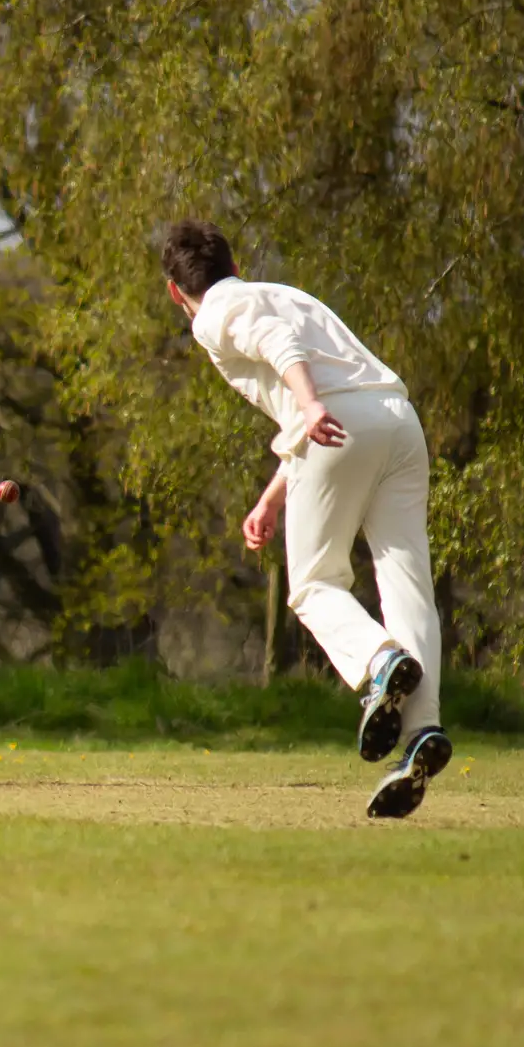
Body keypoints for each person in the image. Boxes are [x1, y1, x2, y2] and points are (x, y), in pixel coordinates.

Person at [161, 220, 450, 818]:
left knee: (316, 585)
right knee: (406, 583)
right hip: (398, 420)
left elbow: (280, 351)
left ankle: (378, 663)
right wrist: (273, 498)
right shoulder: (285, 293)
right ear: (232, 260)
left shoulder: (215, 311)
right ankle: (423, 728)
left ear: (173, 291)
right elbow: (308, 396)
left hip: (338, 422)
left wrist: (313, 403)